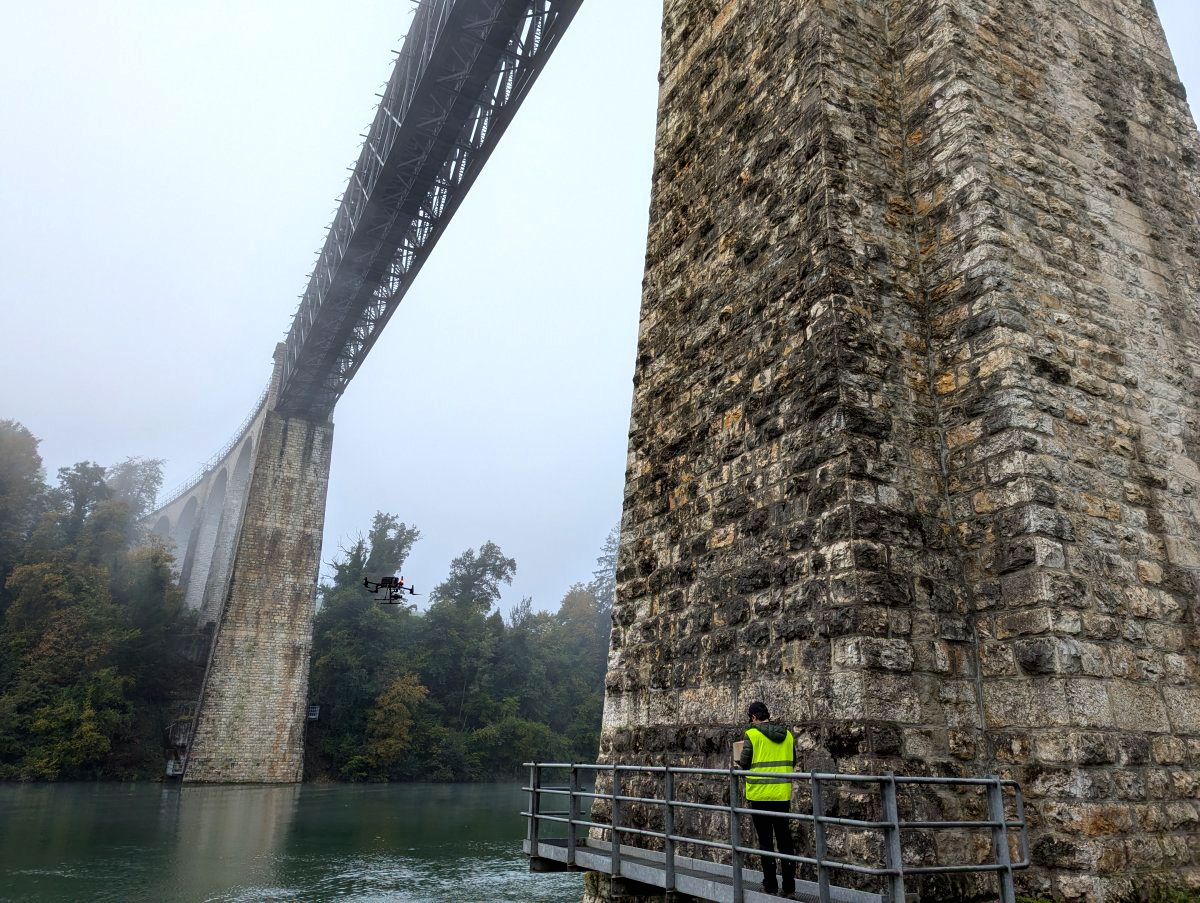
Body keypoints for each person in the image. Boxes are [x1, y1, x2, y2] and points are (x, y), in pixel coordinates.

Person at [738, 701, 797, 898]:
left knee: (765, 842)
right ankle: (789, 887)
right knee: (785, 840)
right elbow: (793, 760)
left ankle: (770, 885)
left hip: (760, 795)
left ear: (754, 717)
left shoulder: (752, 735)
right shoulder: (787, 735)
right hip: (782, 795)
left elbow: (744, 763)